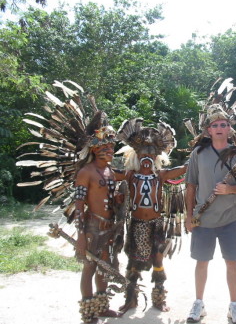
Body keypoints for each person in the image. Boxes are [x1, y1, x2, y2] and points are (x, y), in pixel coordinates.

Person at [185, 104, 236, 324]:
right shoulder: (198, 153)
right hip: (203, 218)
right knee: (201, 262)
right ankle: (198, 303)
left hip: (230, 218)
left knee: (232, 262)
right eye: (216, 125)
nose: (220, 128)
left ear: (229, 128)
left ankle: (234, 305)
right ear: (208, 131)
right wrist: (188, 216)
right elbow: (191, 186)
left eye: (224, 124)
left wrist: (230, 189)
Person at [113, 118, 187, 313]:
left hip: (156, 223)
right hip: (137, 223)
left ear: (157, 158)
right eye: (143, 155)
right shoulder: (130, 175)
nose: (147, 159)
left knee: (158, 258)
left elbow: (184, 169)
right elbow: (106, 173)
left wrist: (200, 151)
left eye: (151, 155)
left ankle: (159, 297)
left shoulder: (160, 176)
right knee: (134, 260)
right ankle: (131, 298)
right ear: (136, 156)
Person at [73, 115, 124, 323]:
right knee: (89, 267)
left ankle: (102, 307)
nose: (110, 150)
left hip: (109, 227)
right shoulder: (86, 172)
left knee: (104, 265)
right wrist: (81, 235)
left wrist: (120, 199)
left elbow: (112, 199)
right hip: (92, 227)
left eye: (112, 147)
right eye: (106, 147)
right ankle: (88, 311)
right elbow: (78, 205)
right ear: (95, 149)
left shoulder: (109, 171)